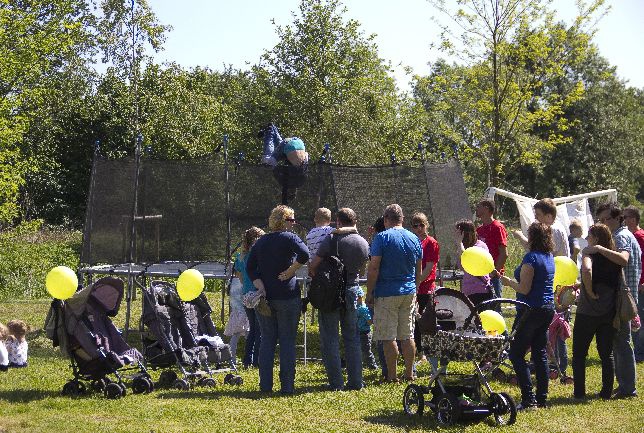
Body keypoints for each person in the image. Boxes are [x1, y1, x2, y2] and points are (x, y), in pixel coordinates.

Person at [246, 205, 310, 395]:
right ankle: (287, 387)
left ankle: (265, 386)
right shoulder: (289, 237)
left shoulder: (261, 241)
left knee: (267, 341)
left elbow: (250, 267)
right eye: (292, 220)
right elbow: (305, 254)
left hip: (266, 299)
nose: (294, 223)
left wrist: (260, 285)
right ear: (284, 221)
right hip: (288, 297)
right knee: (287, 341)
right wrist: (291, 271)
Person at [309, 207, 370, 391]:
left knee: (330, 338)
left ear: (338, 221)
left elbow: (314, 265)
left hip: (331, 293)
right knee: (352, 337)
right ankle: (356, 381)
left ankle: (336, 383)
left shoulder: (333, 238)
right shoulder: (363, 242)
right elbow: (362, 270)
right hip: (352, 290)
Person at [584, 203, 641, 398]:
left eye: (607, 219)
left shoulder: (621, 236)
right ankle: (624, 385)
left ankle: (627, 388)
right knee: (619, 341)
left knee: (622, 342)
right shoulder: (620, 235)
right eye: (600, 220)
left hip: (623, 298)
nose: (604, 223)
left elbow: (623, 259)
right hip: (622, 297)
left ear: (618, 218)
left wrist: (598, 248)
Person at [501, 222, 556, 410]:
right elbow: (531, 246)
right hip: (547, 309)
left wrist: (508, 282)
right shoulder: (549, 257)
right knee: (539, 353)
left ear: (532, 237)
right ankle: (542, 399)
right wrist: (516, 234)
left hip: (530, 310)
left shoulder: (531, 259)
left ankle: (528, 399)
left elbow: (524, 288)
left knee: (516, 354)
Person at [366, 204, 422, 383]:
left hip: (387, 292)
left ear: (386, 220)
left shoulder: (381, 238)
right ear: (403, 219)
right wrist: (415, 288)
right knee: (407, 335)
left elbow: (374, 267)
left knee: (388, 336)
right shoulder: (414, 238)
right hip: (409, 291)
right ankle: (409, 373)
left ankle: (391, 376)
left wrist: (369, 293)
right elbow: (418, 270)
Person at [572, 223, 621, 399]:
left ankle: (579, 393)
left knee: (579, 354)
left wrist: (590, 290)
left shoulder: (589, 253)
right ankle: (606, 392)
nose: (586, 239)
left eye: (589, 236)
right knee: (606, 354)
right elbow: (623, 262)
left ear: (596, 239)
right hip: (609, 311)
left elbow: (587, 269)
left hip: (587, 312)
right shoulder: (614, 256)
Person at [410, 212, 439, 361]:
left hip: (425, 288)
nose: (419, 228)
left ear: (426, 224)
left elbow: (429, 268)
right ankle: (418, 351)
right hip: (412, 287)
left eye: (421, 224)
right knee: (414, 321)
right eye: (415, 225)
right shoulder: (412, 241)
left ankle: (427, 352)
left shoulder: (431, 242)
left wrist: (417, 282)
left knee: (425, 321)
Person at [234, 226, 265, 368]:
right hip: (257, 293)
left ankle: (247, 360)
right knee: (260, 330)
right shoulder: (258, 254)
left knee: (252, 329)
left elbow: (239, 277)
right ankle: (257, 361)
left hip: (245, 294)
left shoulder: (240, 256)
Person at [475, 199, 508, 309]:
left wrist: (495, 272)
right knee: (482, 308)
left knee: (494, 308)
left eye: (479, 206)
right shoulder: (479, 230)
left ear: (486, 208)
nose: (476, 209)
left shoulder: (497, 227)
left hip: (493, 276)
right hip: (480, 276)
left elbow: (504, 253)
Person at [455, 220, 493, 306]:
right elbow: (462, 267)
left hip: (480, 290)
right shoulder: (463, 248)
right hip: (468, 291)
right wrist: (459, 246)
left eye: (458, 233)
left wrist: (459, 243)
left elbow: (468, 262)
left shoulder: (479, 246)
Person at [623, 205, 644, 361]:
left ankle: (639, 352)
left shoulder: (639, 236)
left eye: (627, 217)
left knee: (639, 317)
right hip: (635, 283)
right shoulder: (630, 235)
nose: (624, 220)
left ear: (634, 218)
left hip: (640, 284)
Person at [224, 276, 250, 367]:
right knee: (248, 335)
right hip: (244, 311)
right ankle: (250, 358)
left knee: (236, 335)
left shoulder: (232, 281)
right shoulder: (242, 281)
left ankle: (232, 360)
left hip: (235, 311)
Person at [356, 288, 378, 370]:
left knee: (366, 350)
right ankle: (359, 364)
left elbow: (369, 321)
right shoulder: (357, 307)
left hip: (365, 332)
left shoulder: (363, 309)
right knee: (358, 349)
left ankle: (373, 366)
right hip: (357, 331)